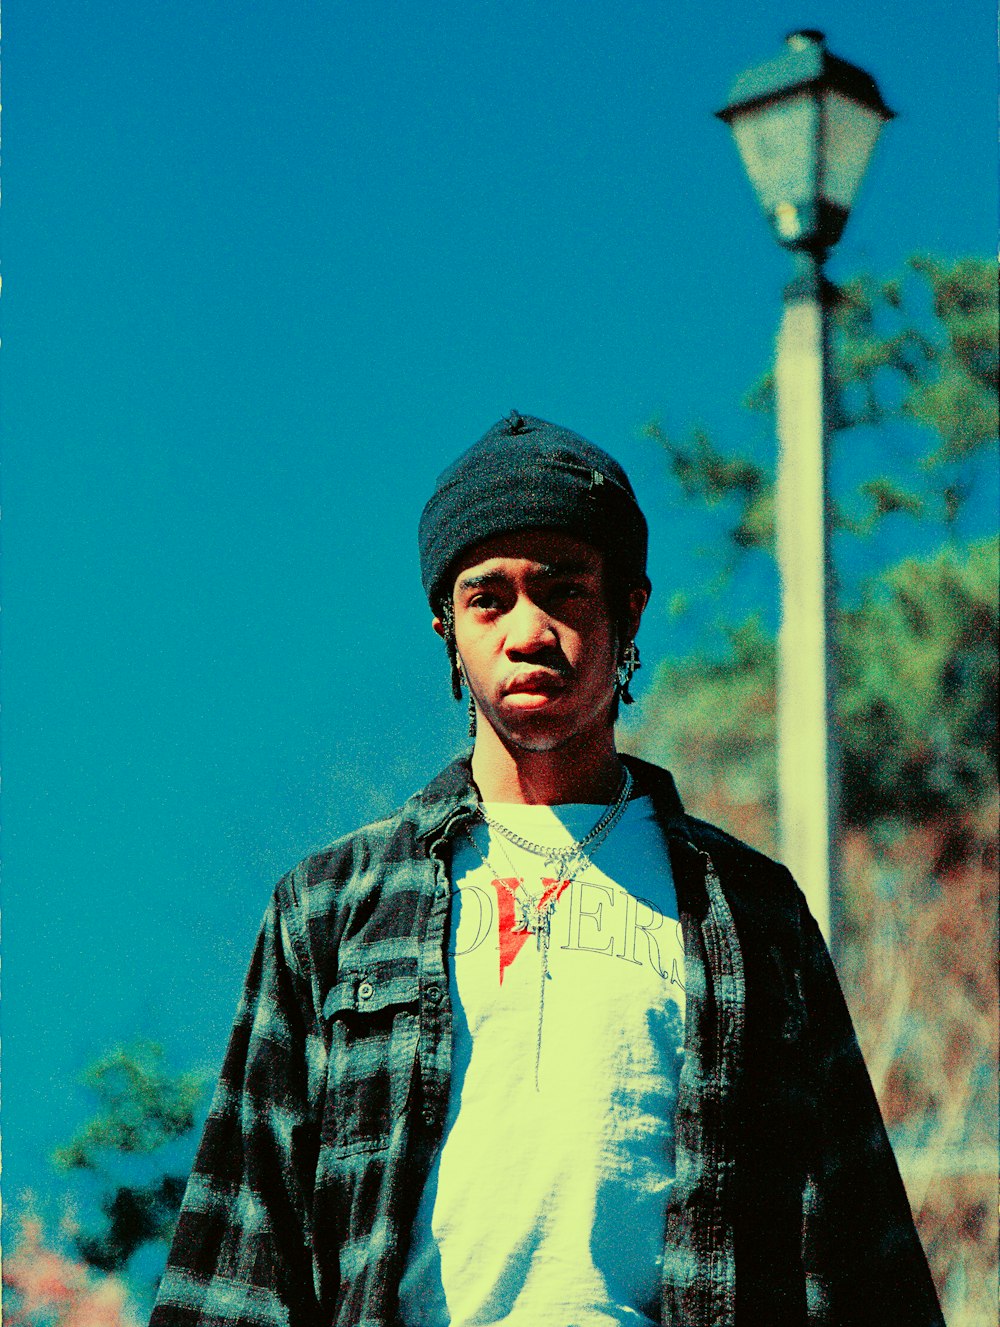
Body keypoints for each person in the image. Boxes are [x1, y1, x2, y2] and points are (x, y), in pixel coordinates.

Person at [150, 413, 944, 1327]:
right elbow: (244, 1243)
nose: (529, 631)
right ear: (447, 627)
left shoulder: (747, 911)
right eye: (489, 599)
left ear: (628, 608)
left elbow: (856, 1245)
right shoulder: (336, 905)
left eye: (564, 591)